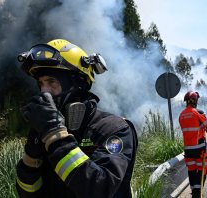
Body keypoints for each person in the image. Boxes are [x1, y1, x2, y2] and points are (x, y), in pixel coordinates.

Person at [15, 39, 138, 198]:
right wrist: (31, 155)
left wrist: (56, 137)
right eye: (41, 83)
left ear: (78, 84)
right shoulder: (47, 134)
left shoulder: (114, 129)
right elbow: (27, 193)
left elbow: (99, 190)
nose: (45, 91)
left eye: (52, 82)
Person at [179, 91, 207, 198]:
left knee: (191, 171)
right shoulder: (197, 112)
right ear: (194, 100)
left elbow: (191, 130)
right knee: (203, 170)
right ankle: (198, 193)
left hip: (188, 151)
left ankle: (194, 191)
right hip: (199, 150)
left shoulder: (181, 115)